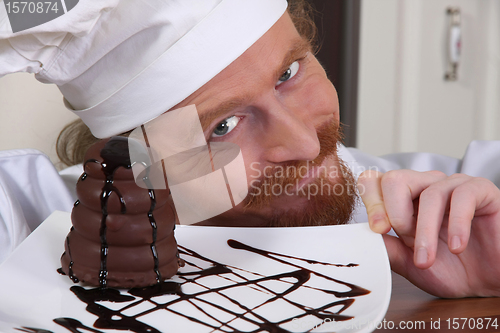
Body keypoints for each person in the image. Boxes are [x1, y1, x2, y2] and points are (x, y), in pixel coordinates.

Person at [1, 0, 500, 299]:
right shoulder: (27, 221)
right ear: (138, 164)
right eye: (223, 125)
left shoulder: (449, 210)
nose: (305, 144)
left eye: (289, 73)